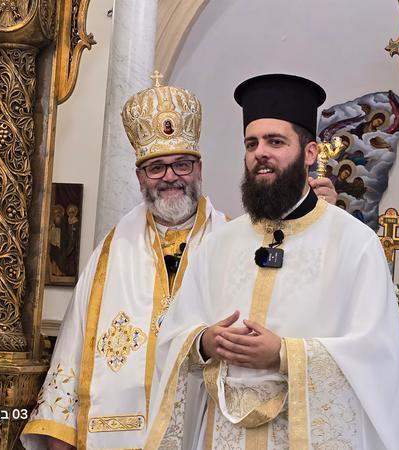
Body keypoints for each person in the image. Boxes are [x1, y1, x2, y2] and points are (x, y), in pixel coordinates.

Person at [21, 75, 338, 450]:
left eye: (182, 165)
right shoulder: (109, 253)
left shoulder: (233, 243)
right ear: (140, 176)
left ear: (199, 169)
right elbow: (71, 353)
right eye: (156, 167)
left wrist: (317, 221)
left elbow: (288, 312)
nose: (170, 177)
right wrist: (60, 436)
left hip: (200, 432)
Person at [145, 74, 399, 449]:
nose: (260, 153)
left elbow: (378, 354)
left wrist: (285, 355)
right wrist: (205, 342)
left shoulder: (354, 244)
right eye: (251, 143)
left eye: (275, 141)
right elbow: (172, 337)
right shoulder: (219, 244)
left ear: (310, 153)